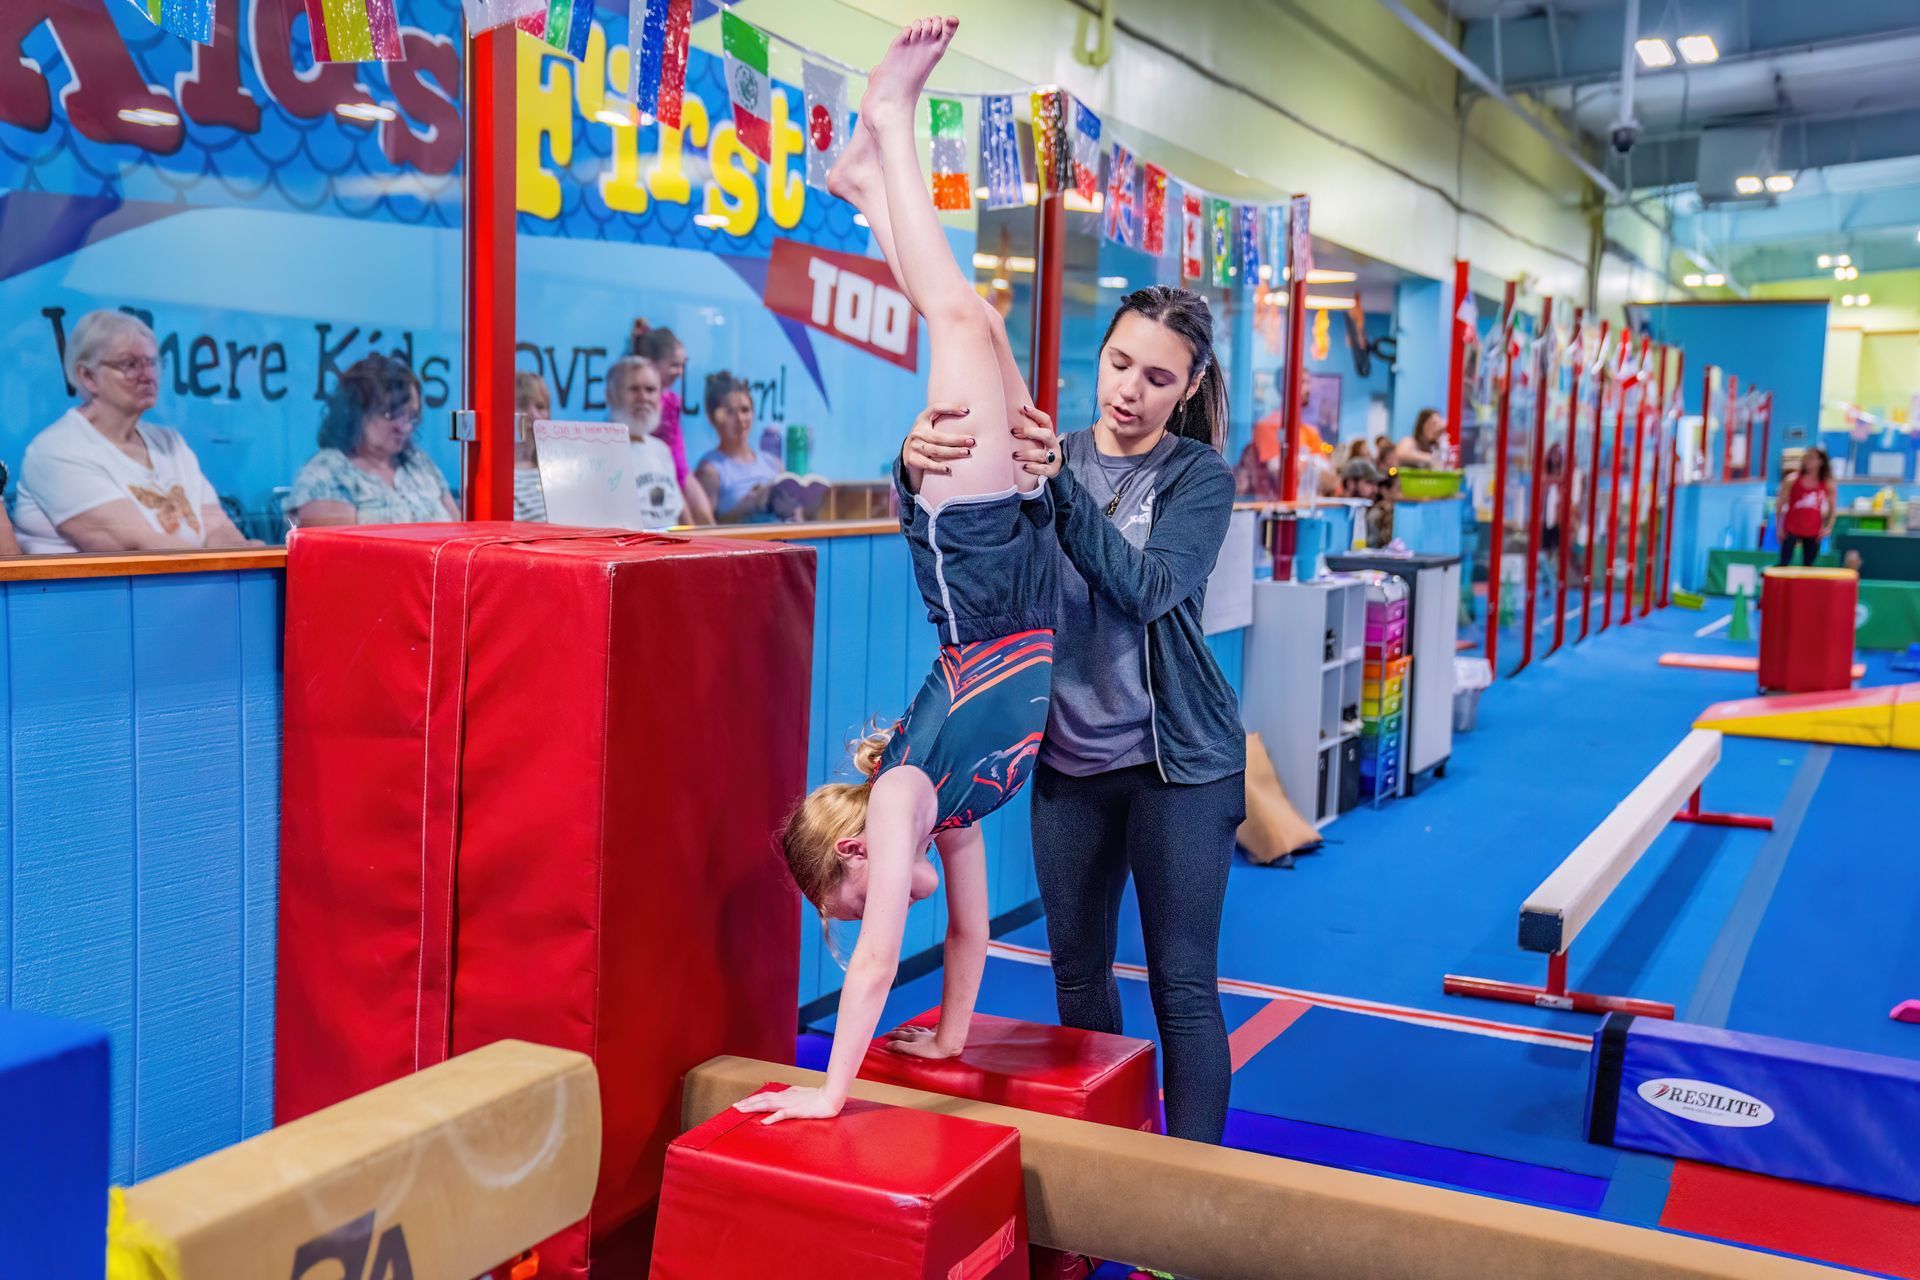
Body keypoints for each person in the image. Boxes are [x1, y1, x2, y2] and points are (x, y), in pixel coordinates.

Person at [736, 16, 1057, 1126]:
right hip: (1018, 562)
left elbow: (878, 964)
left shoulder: (908, 795)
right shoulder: (946, 818)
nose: (865, 921)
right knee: (983, 323)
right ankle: (868, 186)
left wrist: (830, 1093)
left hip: (976, 566)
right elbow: (968, 932)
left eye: (847, 899)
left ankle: (888, 120)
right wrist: (954, 1035)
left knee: (957, 314)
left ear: (856, 848)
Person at [904, 286, 1246, 1144]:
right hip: (1068, 762)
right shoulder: (1046, 457)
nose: (1130, 389)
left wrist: (1057, 488)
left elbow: (1147, 588)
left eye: (1158, 377)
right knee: (1079, 976)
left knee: (1182, 988)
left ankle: (1191, 1193)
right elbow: (965, 548)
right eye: (1119, 363)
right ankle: (1110, 1161)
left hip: (1179, 765)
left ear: (1190, 385)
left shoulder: (1198, 477)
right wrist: (912, 472)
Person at [15, 310, 256, 554]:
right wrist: (226, 564)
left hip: (189, 576)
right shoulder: (57, 450)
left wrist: (242, 554)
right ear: (87, 376)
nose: (148, 375)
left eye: (152, 363)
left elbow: (217, 525)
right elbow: (139, 547)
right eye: (130, 364)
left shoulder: (169, 442)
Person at [289, 354, 460, 528]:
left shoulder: (419, 463)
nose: (405, 427)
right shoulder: (326, 473)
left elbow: (459, 531)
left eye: (411, 416)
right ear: (355, 412)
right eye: (390, 414)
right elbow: (335, 545)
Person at [631, 321, 715, 525]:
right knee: (686, 525)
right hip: (660, 474)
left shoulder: (671, 401)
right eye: (674, 365)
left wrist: (684, 476)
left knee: (706, 519)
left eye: (682, 365)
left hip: (680, 471)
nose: (680, 372)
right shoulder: (641, 406)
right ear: (651, 363)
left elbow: (677, 444)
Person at [604, 354, 694, 530]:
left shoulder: (661, 450)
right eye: (634, 389)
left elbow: (681, 514)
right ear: (611, 396)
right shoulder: (599, 449)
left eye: (650, 390)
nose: (643, 397)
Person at [694, 373, 782, 523]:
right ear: (712, 418)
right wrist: (748, 505)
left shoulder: (774, 464)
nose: (740, 419)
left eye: (745, 410)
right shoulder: (711, 470)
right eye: (729, 412)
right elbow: (705, 527)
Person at [1776, 446, 1836, 566]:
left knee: (1808, 565)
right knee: (1784, 562)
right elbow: (1780, 504)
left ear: (1820, 461)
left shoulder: (1827, 483)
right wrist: (1779, 527)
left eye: (1811, 457)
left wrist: (1828, 527)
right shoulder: (1792, 480)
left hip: (1813, 529)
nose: (1807, 460)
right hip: (1791, 527)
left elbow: (1832, 508)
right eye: (1806, 457)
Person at [513, 371, 550, 522]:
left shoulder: (559, 470)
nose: (534, 415)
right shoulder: (498, 479)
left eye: (540, 407)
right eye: (522, 406)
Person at [1341, 457, 1391, 548]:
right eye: (1370, 482)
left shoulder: (1374, 512)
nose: (1375, 490)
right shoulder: (1336, 512)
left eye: (1376, 484)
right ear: (1351, 483)